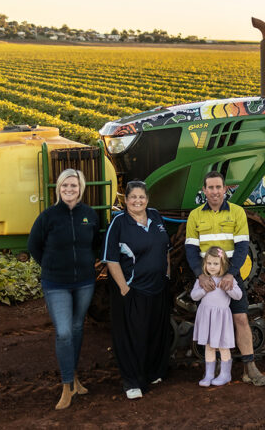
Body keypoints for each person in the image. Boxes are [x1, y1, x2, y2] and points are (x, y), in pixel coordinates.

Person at [185, 171, 265, 386]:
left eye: (218, 187)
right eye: (210, 188)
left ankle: (250, 368)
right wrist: (200, 275)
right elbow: (191, 249)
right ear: (204, 190)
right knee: (210, 320)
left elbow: (242, 247)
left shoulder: (237, 213)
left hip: (231, 277)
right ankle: (212, 370)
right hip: (207, 278)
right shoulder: (195, 215)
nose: (215, 192)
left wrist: (231, 274)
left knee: (241, 319)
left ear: (225, 189)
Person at [27, 168, 100, 410]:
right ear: (59, 188)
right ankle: (67, 385)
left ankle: (75, 376)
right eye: (65, 186)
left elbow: (96, 244)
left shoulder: (89, 215)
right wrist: (51, 266)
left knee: (78, 327)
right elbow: (34, 246)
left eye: (74, 186)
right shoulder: (48, 217)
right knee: (65, 332)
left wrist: (89, 264)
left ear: (81, 189)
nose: (69, 189)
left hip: (84, 282)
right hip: (56, 283)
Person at [102, 180, 173, 399]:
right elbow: (111, 259)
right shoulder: (119, 223)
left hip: (158, 288)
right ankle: (132, 381)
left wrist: (167, 275)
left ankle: (152, 373)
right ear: (126, 200)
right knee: (133, 337)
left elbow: (166, 249)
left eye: (141, 197)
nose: (137, 201)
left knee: (155, 332)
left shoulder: (155, 216)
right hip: (134, 290)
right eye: (133, 197)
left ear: (147, 199)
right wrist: (124, 289)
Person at [191, 247, 244, 386]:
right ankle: (209, 374)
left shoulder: (227, 280)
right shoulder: (203, 280)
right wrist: (203, 290)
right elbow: (193, 295)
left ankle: (225, 374)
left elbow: (239, 296)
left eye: (216, 264)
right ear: (205, 264)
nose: (212, 267)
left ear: (223, 264)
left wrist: (229, 288)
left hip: (221, 319)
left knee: (223, 346)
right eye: (209, 263)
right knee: (209, 346)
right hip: (207, 317)